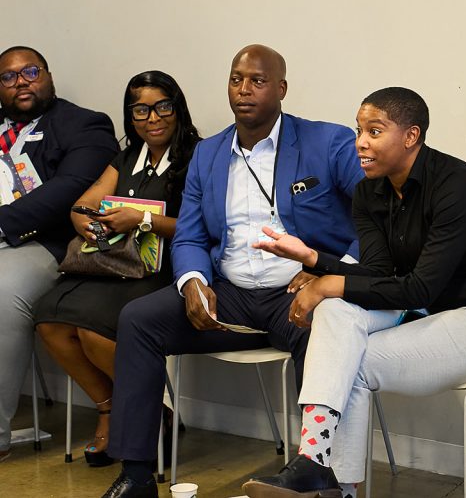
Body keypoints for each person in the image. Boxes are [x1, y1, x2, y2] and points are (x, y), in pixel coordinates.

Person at [240, 86, 466, 498]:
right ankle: (313, 462)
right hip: (426, 311)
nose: (360, 142)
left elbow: (421, 284)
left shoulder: (457, 184)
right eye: (359, 129)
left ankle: (333, 487)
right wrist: (313, 258)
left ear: (411, 136)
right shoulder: (370, 191)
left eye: (374, 131)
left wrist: (329, 281)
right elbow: (378, 273)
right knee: (336, 312)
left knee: (351, 357)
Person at [100, 45, 364, 498]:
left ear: (281, 88)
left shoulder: (329, 142)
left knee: (328, 333)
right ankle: (137, 474)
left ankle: (319, 479)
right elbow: (188, 235)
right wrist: (193, 282)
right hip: (232, 294)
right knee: (138, 320)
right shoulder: (208, 154)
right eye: (236, 79)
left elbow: (379, 217)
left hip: (296, 295)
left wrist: (331, 273)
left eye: (258, 81)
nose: (244, 89)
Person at [34, 71, 200, 467]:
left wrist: (140, 221)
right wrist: (87, 222)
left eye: (163, 106)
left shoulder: (200, 155)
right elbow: (82, 205)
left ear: (176, 108)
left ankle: (139, 414)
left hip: (167, 269)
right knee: (49, 321)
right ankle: (111, 408)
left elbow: (204, 227)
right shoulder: (126, 157)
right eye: (141, 109)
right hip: (113, 266)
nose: (153, 118)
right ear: (131, 115)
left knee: (94, 329)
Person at [0, 45, 118, 463]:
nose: (21, 82)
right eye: (9, 77)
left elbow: (68, 189)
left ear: (47, 75)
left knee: (3, 290)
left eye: (29, 71)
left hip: (44, 245)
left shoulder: (84, 124)